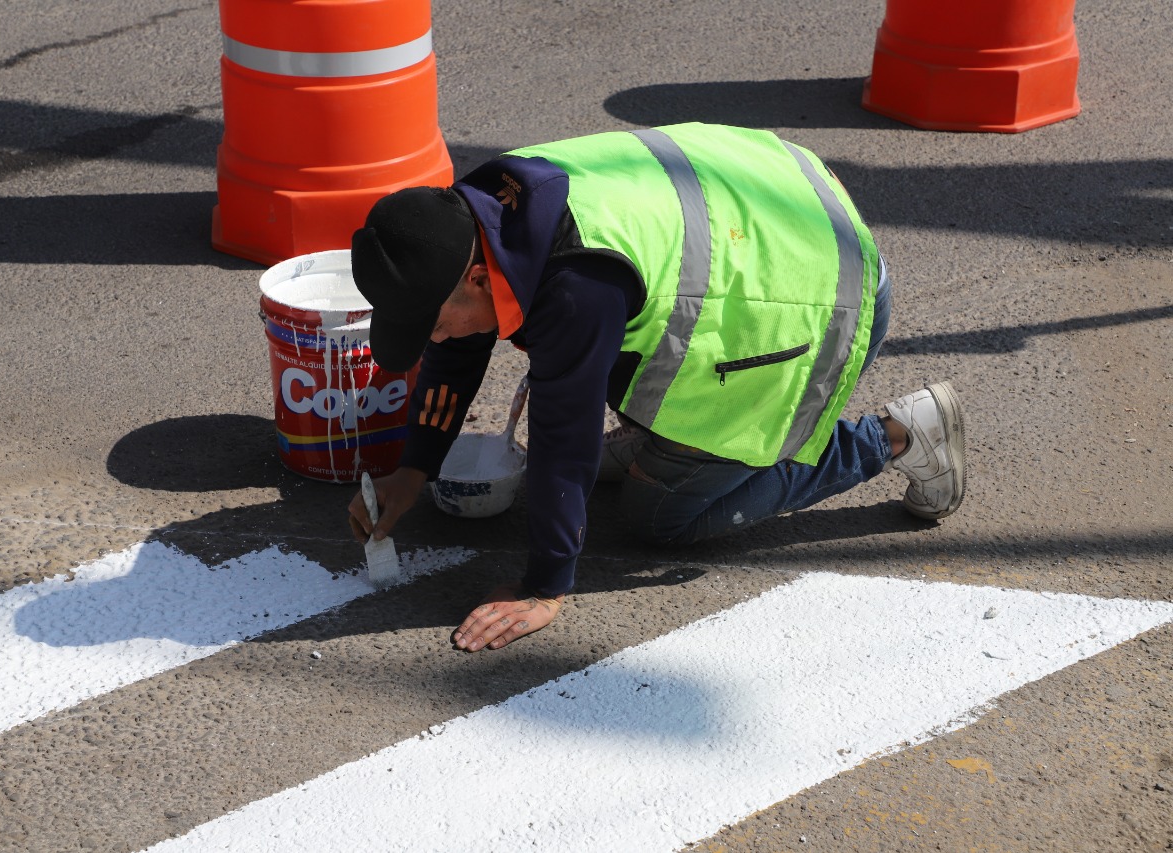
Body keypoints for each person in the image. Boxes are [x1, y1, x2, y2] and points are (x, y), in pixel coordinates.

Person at [345, 122, 965, 653]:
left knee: (660, 517)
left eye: (434, 322)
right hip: (789, 201)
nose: (438, 338)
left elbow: (566, 437)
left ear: (478, 278)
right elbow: (458, 349)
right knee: (616, 362)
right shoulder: (480, 207)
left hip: (822, 295)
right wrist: (413, 471)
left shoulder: (576, 285)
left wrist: (545, 583)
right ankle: (668, 446)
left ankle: (897, 437)